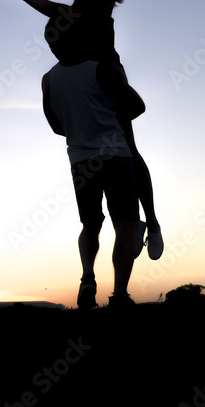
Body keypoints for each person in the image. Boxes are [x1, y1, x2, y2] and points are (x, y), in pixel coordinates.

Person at [0, 0, 175, 265]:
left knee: (129, 151)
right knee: (98, 158)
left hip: (108, 81)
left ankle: (152, 224)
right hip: (80, 85)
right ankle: (104, 247)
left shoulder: (103, 0)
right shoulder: (61, 11)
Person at [40, 38, 141, 309]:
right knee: (126, 225)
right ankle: (119, 295)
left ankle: (87, 277)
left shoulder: (48, 79)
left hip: (80, 159)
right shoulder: (102, 69)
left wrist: (80, 125)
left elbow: (55, 126)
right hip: (116, 154)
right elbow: (138, 107)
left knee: (90, 225)